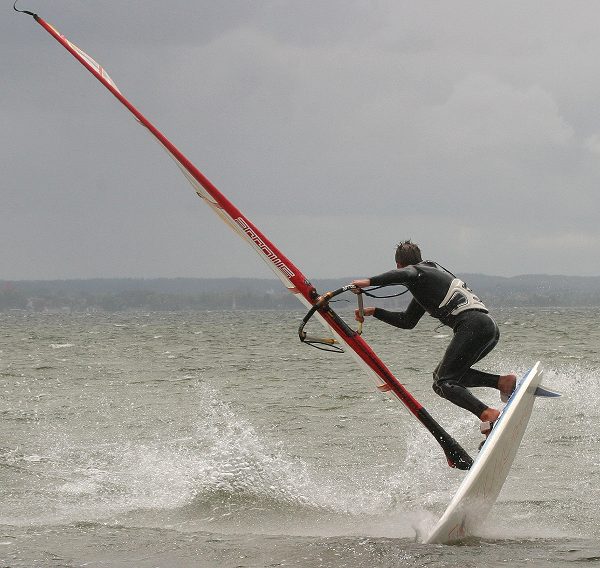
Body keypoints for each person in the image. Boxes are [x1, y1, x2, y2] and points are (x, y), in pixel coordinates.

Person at [352, 240, 516, 443]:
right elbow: (407, 321)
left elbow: (406, 274)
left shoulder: (420, 271)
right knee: (444, 378)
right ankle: (503, 382)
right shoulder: (426, 283)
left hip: (473, 326)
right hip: (487, 328)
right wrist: (374, 312)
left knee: (444, 381)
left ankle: (487, 414)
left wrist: (369, 281)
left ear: (398, 265)